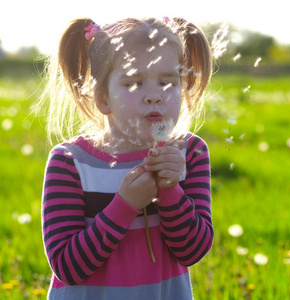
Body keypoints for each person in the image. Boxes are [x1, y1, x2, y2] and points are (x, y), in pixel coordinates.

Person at [39, 17, 213, 299]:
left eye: (168, 82)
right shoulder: (71, 162)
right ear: (103, 98)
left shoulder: (189, 153)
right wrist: (125, 205)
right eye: (134, 83)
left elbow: (192, 250)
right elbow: (67, 267)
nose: (154, 96)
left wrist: (170, 189)